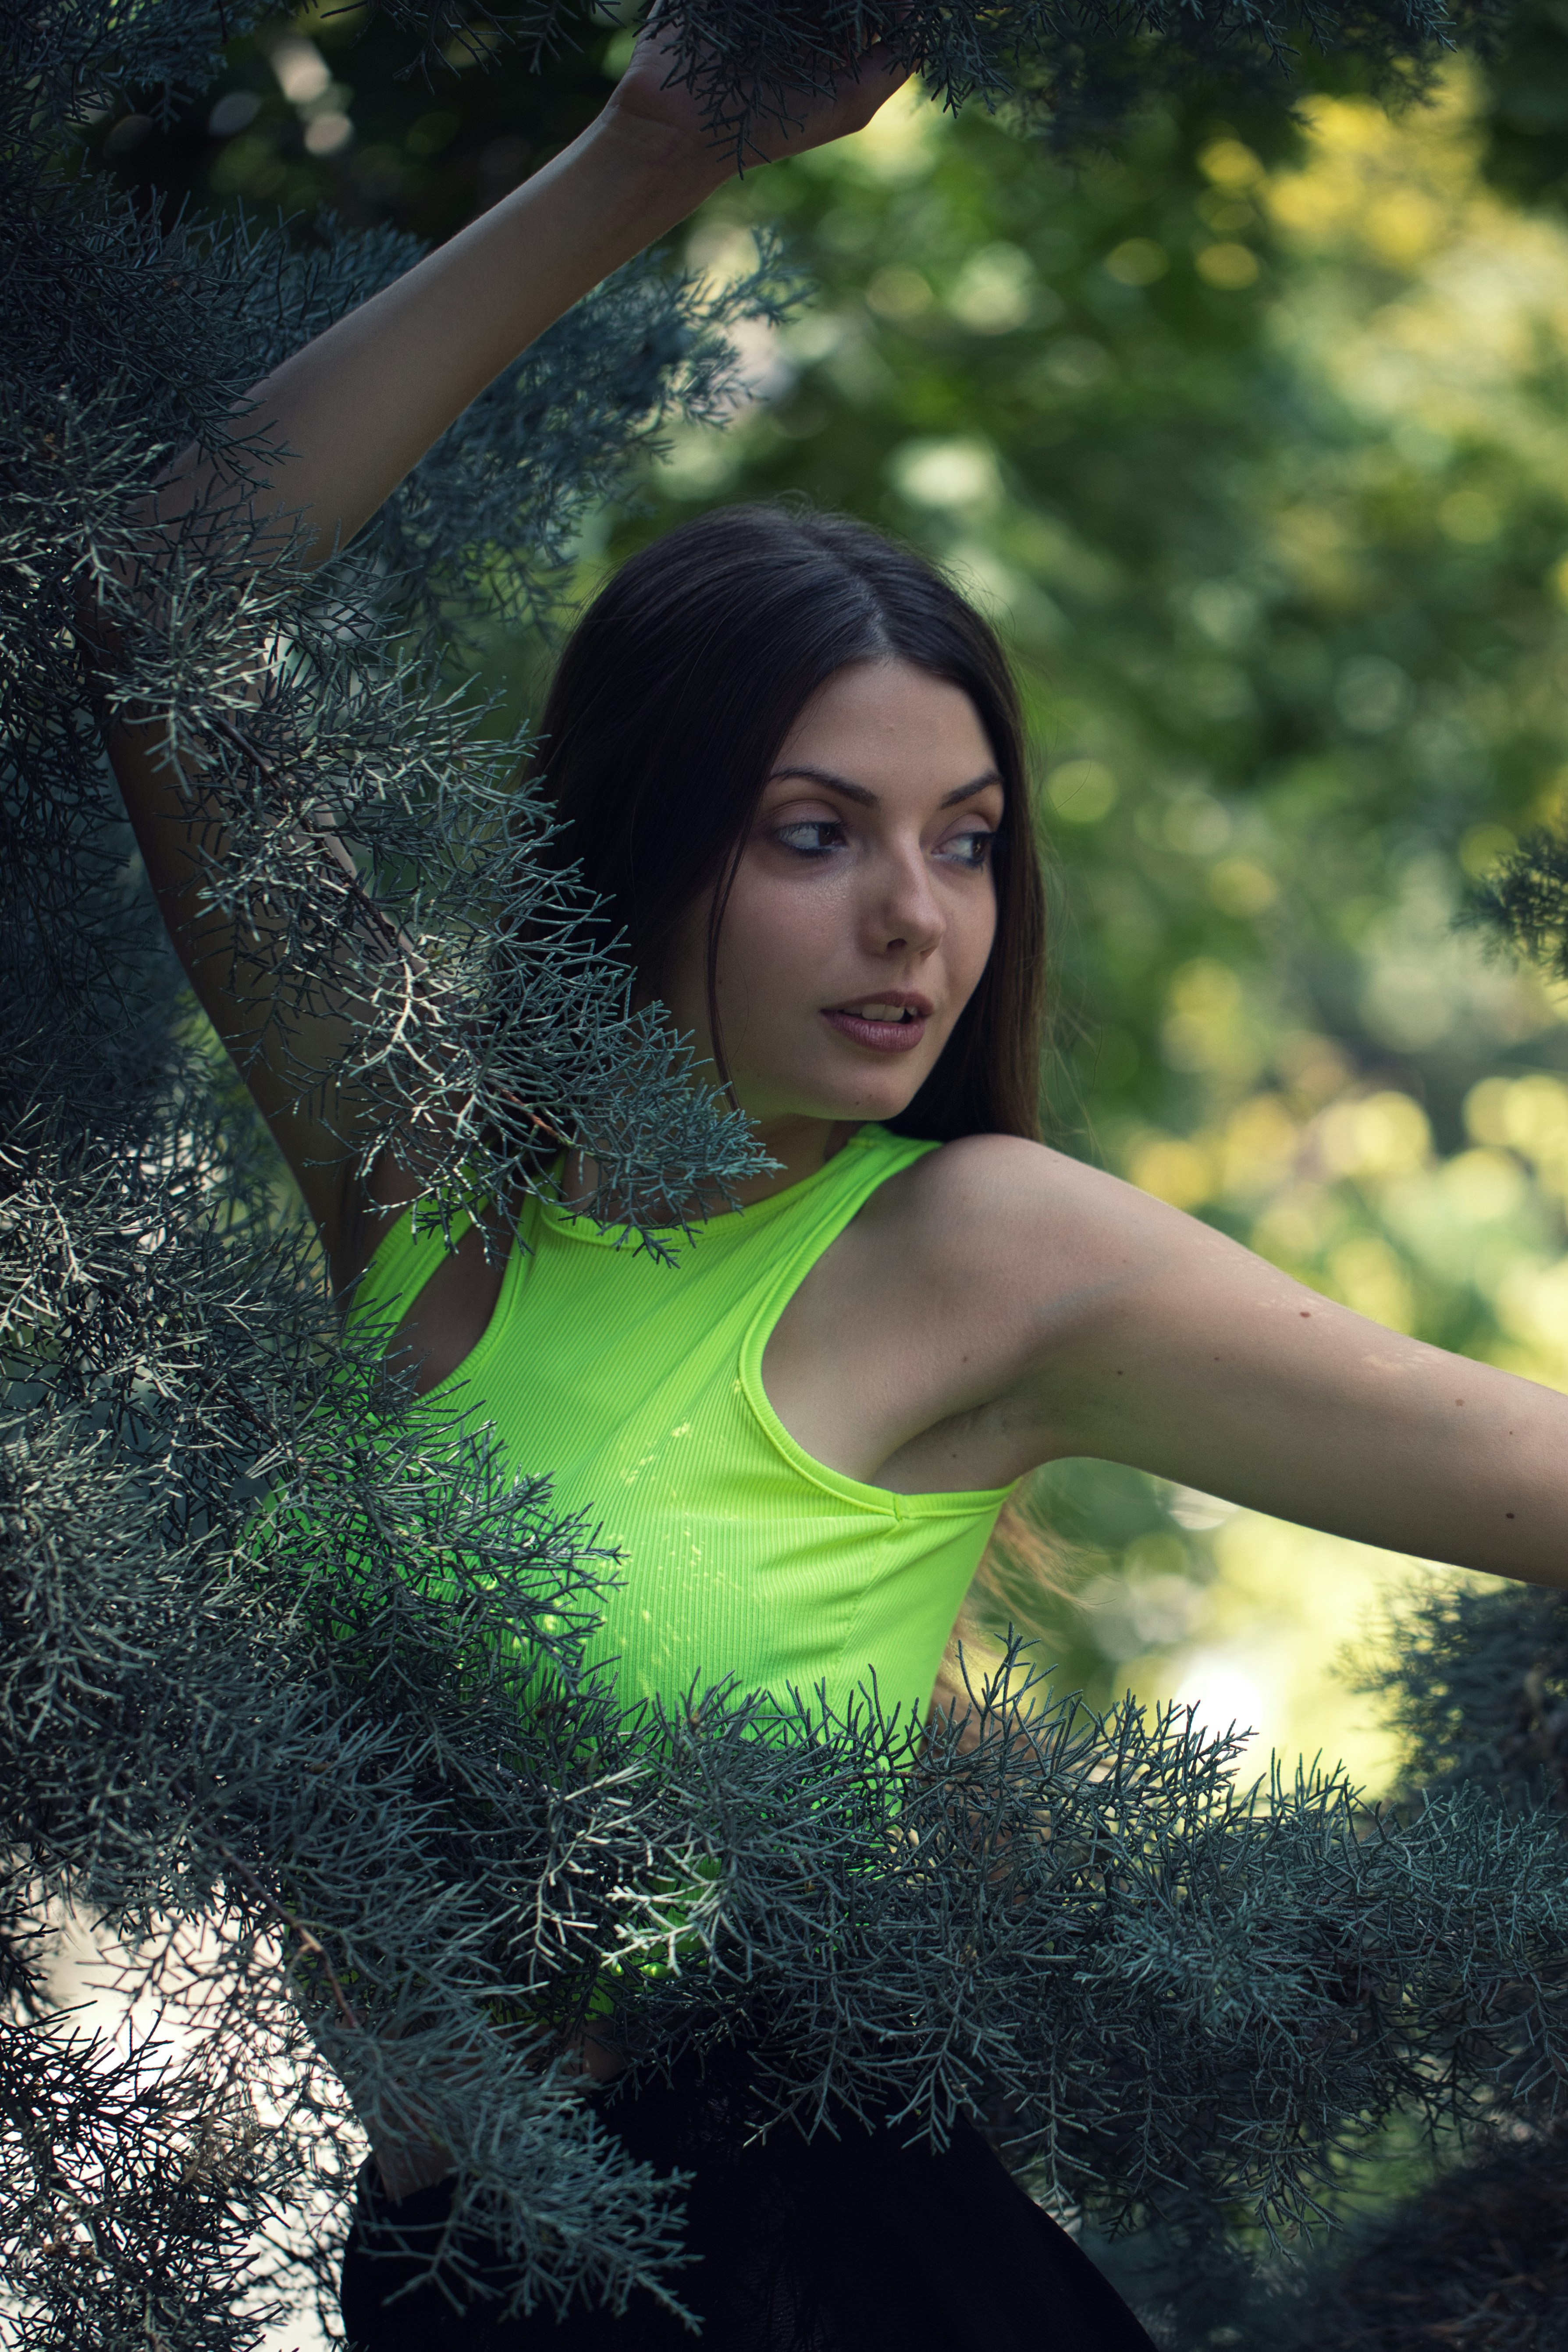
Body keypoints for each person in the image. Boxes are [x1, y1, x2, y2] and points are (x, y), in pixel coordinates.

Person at [98, 18, 1568, 2352]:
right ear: (637, 840)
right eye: (818, 835)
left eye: (966, 843)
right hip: (451, 2282)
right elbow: (166, 595)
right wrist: (654, 149)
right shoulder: (419, 1170)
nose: (917, 920)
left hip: (822, 2271)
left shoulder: (977, 1246)